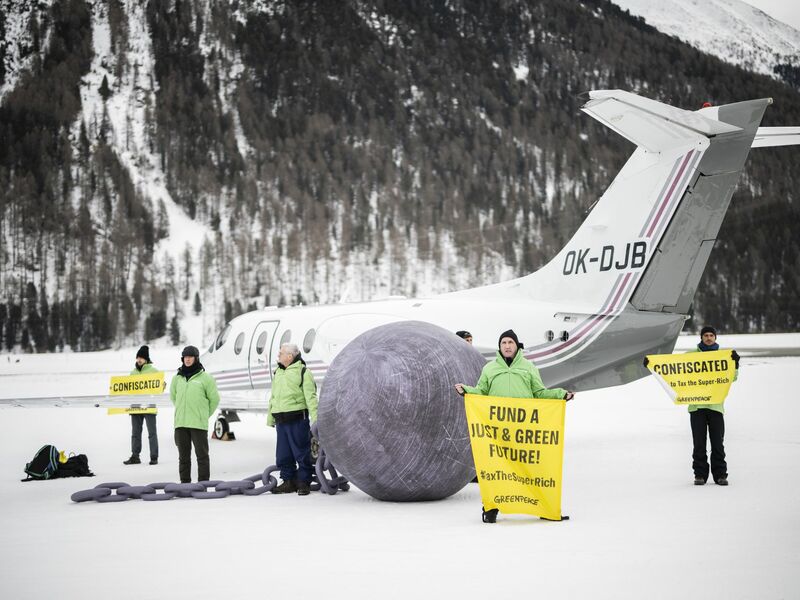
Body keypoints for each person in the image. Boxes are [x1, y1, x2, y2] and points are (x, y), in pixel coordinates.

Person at [455, 329, 574, 523]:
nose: (507, 346)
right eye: (503, 343)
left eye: (510, 342)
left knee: (531, 470)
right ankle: (491, 508)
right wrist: (467, 391)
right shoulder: (490, 369)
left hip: (523, 431)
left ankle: (545, 507)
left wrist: (560, 395)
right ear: (499, 347)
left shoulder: (528, 367)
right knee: (496, 470)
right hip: (498, 431)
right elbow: (481, 392)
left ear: (516, 346)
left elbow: (539, 392)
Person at [687, 326, 739, 487]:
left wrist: (735, 364)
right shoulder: (690, 356)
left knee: (718, 443)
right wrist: (654, 365)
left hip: (716, 406)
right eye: (705, 335)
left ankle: (720, 475)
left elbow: (733, 378)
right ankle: (700, 475)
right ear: (701, 337)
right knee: (699, 444)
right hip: (697, 407)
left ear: (715, 338)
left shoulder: (723, 356)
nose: (708, 338)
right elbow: (673, 371)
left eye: (711, 335)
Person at [268, 343, 318, 496]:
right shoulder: (278, 372)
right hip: (281, 420)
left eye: (281, 353)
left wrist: (316, 420)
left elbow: (311, 397)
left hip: (297, 419)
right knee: (283, 454)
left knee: (301, 453)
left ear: (290, 356)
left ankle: (303, 482)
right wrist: (270, 417)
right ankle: (288, 481)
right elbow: (273, 397)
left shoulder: (303, 372)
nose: (278, 356)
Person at [169, 345, 220, 483]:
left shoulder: (206, 378)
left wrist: (203, 414)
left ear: (196, 358)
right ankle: (185, 483)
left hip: (198, 423)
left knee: (202, 456)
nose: (188, 359)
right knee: (183, 457)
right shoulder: (177, 379)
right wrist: (182, 410)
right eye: (185, 357)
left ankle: (203, 483)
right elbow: (173, 397)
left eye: (190, 357)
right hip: (181, 424)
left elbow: (214, 399)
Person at [123, 345, 159, 465]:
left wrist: (161, 385)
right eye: (137, 357)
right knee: (135, 433)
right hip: (136, 406)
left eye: (141, 358)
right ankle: (135, 456)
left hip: (149, 406)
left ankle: (154, 457)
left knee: (152, 433)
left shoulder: (154, 371)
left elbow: (160, 386)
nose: (139, 360)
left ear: (146, 359)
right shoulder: (132, 373)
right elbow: (127, 389)